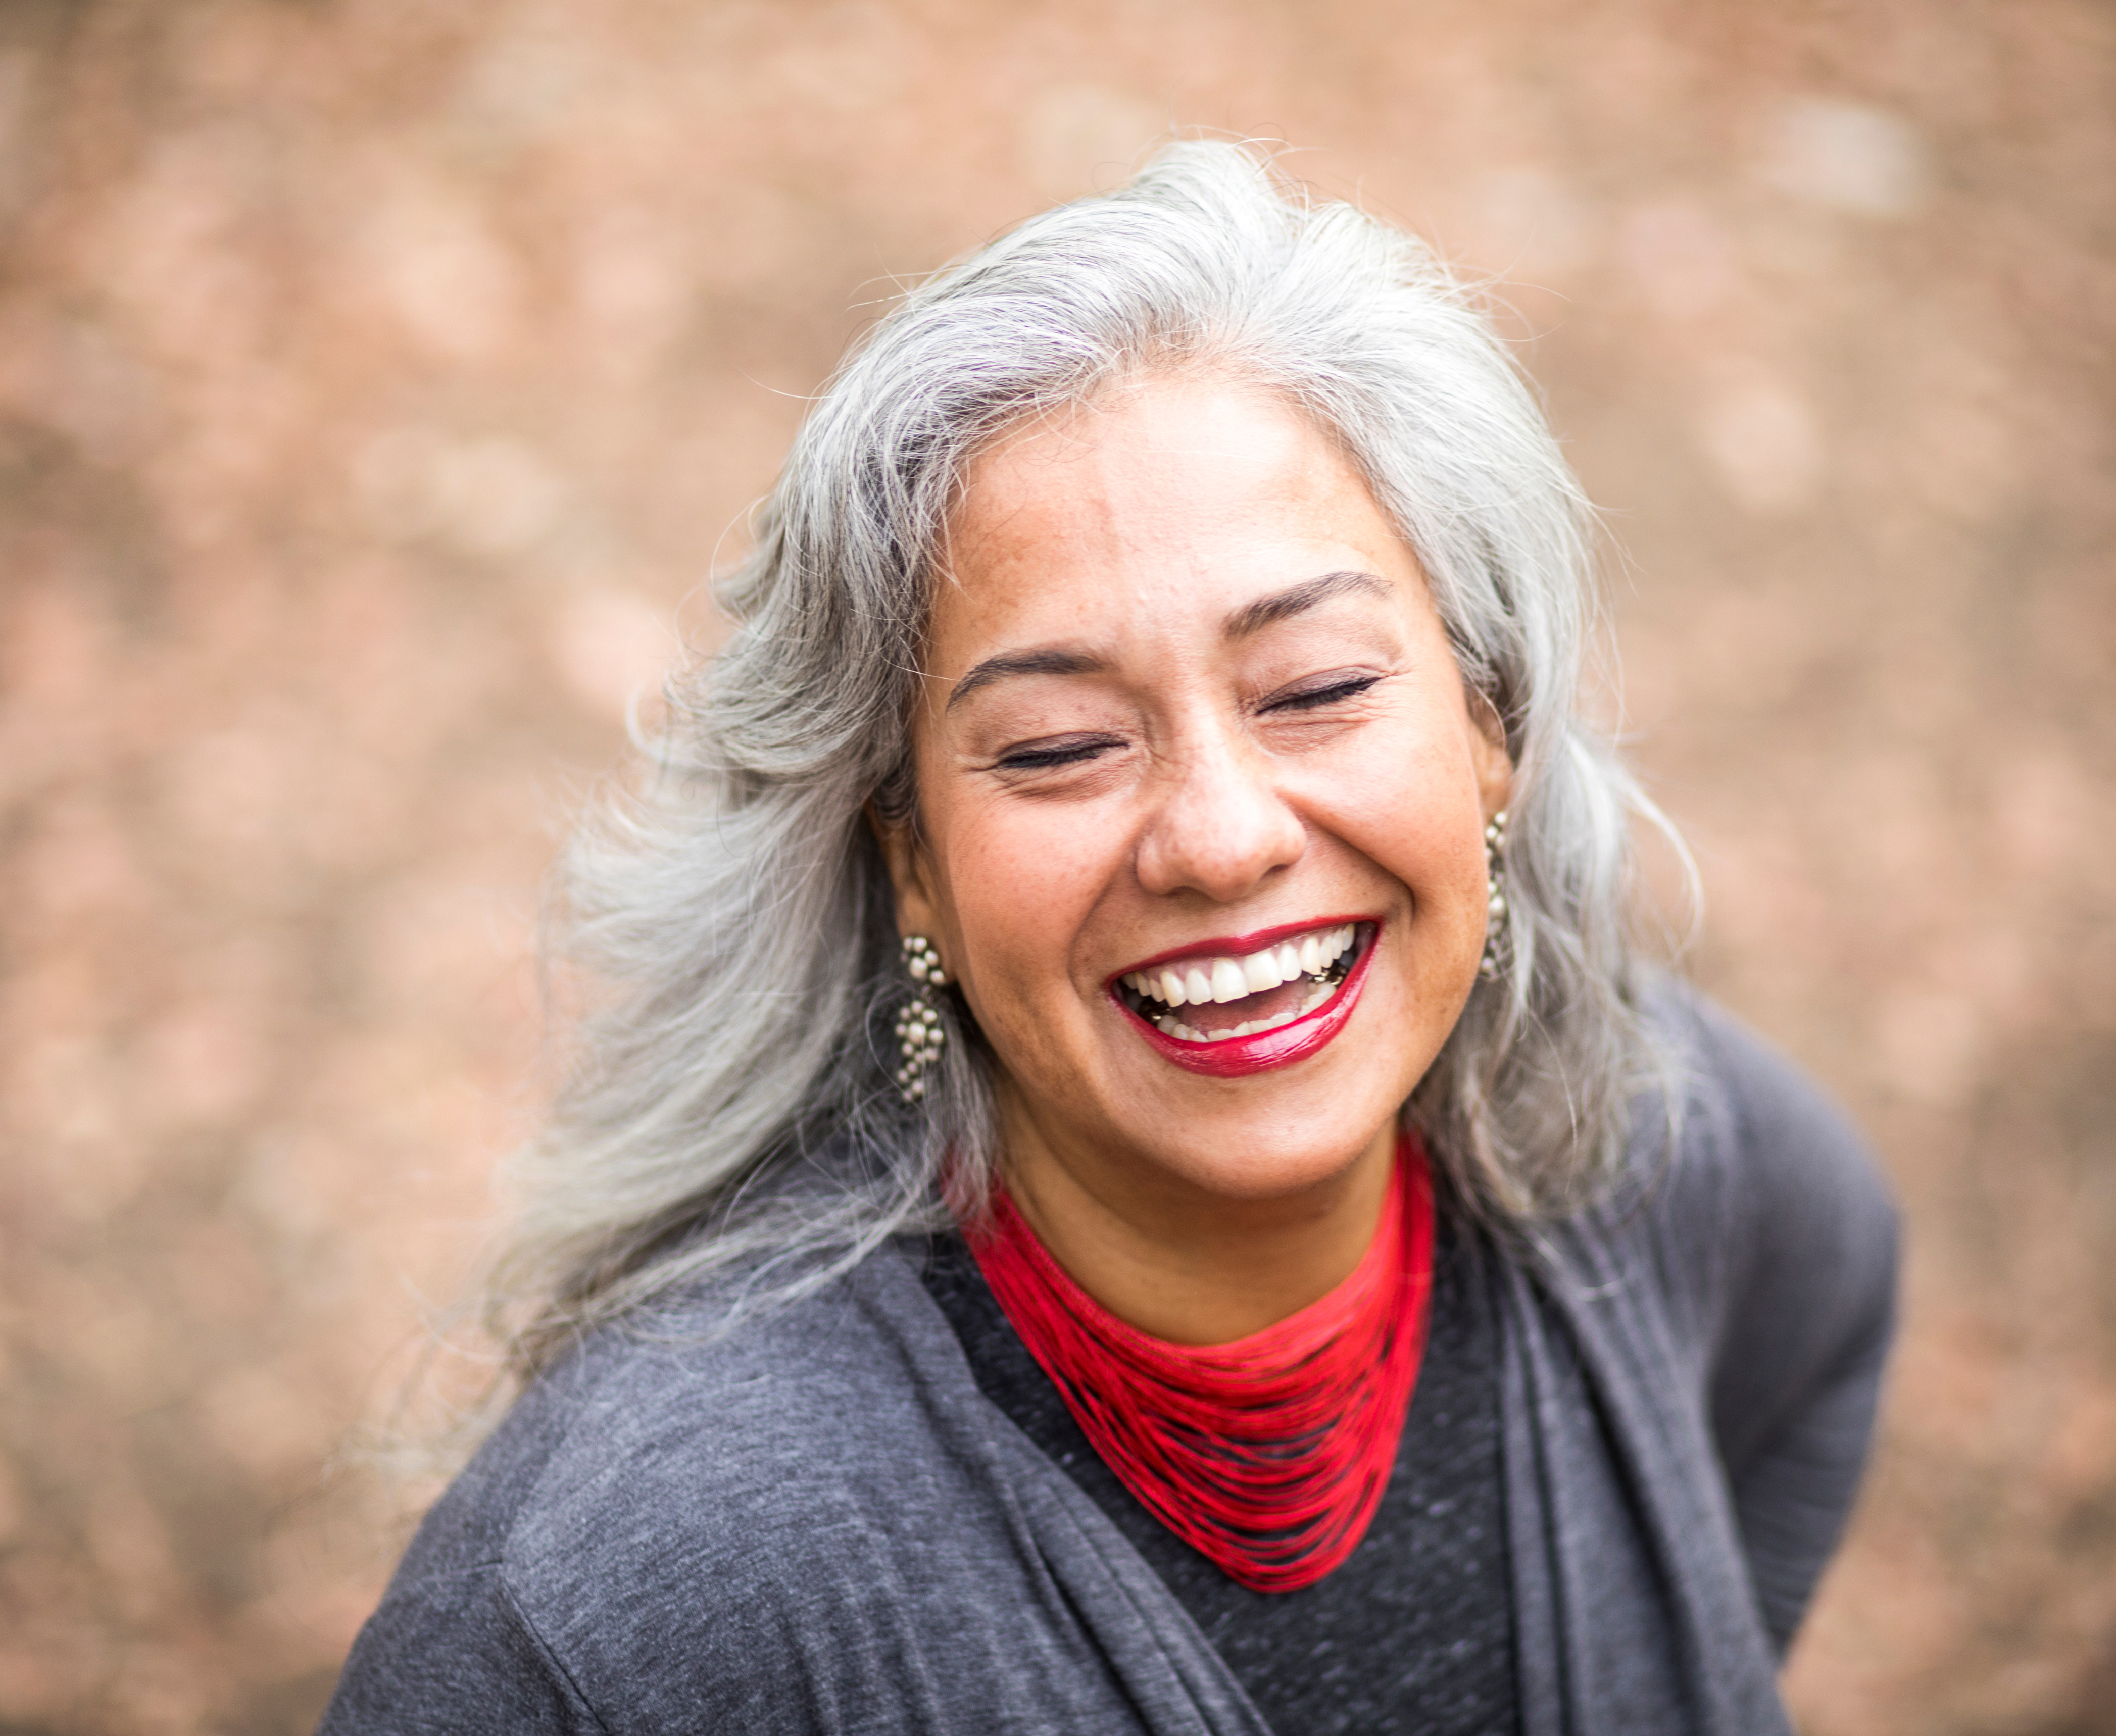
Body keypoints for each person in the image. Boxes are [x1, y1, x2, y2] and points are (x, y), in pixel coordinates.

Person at [319, 142, 1897, 1736]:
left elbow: (1828, 1299)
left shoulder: (1646, 1141)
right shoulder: (635, 1595)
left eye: (1317, 689)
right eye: (1063, 743)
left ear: (1491, 726)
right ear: (908, 858)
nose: (1219, 836)